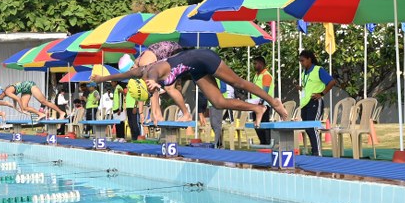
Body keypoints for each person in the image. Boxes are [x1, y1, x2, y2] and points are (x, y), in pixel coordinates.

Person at [94, 49, 286, 126]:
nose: (151, 89)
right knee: (218, 102)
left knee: (237, 82)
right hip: (196, 70)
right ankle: (257, 108)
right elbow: (120, 76)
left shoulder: (153, 70)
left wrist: (153, 81)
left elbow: (155, 73)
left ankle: (273, 102)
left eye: (149, 87)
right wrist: (102, 78)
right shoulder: (138, 72)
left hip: (202, 58)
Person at [131, 42, 192, 123]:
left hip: (175, 53)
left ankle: (186, 114)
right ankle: (158, 115)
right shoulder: (140, 61)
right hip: (171, 53)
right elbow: (150, 91)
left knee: (169, 88)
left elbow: (153, 89)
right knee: (164, 86)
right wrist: (151, 113)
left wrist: (155, 114)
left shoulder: (144, 63)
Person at [298, 49, 336, 156]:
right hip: (305, 103)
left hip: (315, 102)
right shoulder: (304, 73)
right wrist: (301, 88)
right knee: (308, 128)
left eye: (303, 60)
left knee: (313, 127)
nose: (301, 63)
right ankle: (314, 150)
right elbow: (308, 87)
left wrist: (322, 94)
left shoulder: (318, 70)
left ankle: (317, 152)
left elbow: (332, 82)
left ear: (309, 59)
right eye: (300, 61)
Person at [0, 82, 66, 120]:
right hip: (25, 90)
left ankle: (61, 113)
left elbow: (18, 99)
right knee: (25, 107)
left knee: (43, 102)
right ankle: (40, 114)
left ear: (0, 93)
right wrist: (16, 107)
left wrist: (22, 110)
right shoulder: (7, 92)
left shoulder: (7, 92)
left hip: (30, 86)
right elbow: (15, 99)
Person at [250, 56, 274, 145]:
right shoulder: (256, 76)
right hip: (255, 104)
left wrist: (260, 103)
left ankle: (267, 143)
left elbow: (265, 91)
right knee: (257, 125)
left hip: (264, 105)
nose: (254, 65)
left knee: (264, 125)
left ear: (261, 64)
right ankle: (262, 142)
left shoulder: (266, 75)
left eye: (255, 63)